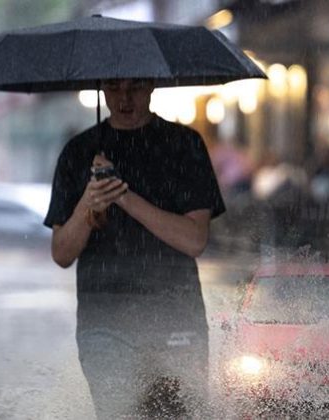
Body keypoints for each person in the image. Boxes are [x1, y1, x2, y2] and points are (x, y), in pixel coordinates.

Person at [44, 78, 225, 418]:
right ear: (102, 89)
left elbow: (194, 240)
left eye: (136, 87)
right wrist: (90, 200)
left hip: (175, 317)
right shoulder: (79, 152)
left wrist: (123, 197)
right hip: (104, 322)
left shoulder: (183, 144)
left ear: (153, 86)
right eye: (114, 88)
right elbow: (62, 253)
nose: (124, 98)